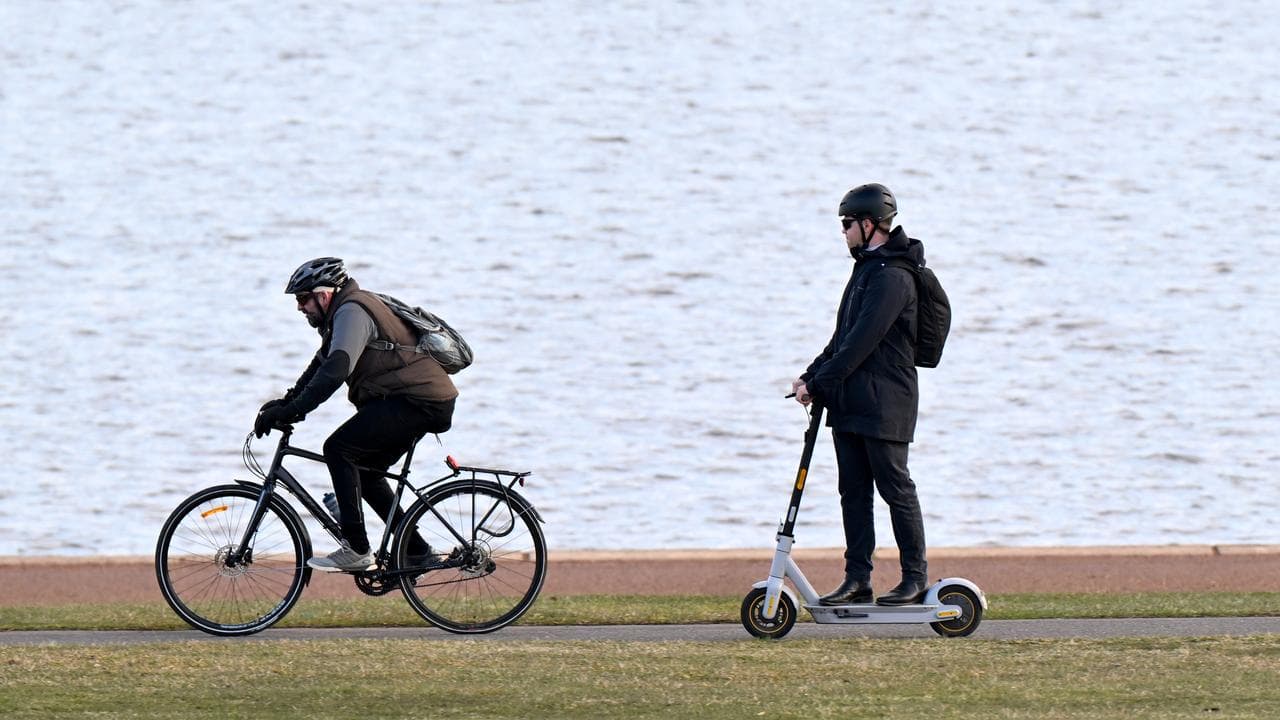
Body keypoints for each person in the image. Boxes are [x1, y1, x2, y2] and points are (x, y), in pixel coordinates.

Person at [254, 257, 458, 572]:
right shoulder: (343, 313)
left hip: (420, 401)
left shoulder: (352, 311)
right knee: (366, 472)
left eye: (302, 299)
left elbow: (336, 370)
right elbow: (321, 363)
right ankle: (417, 550)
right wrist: (287, 401)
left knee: (338, 449)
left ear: (323, 294)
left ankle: (357, 548)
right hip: (414, 399)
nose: (299, 308)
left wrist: (294, 411)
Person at [791, 183, 930, 606]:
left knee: (895, 488)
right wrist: (810, 376)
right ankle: (858, 579)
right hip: (852, 400)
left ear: (869, 225)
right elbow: (842, 338)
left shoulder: (894, 277)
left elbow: (862, 343)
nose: (844, 232)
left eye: (847, 224)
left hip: (886, 403)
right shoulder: (866, 269)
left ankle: (914, 578)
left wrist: (821, 383)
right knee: (852, 491)